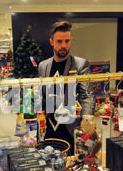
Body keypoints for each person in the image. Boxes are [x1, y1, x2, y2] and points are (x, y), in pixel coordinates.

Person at [38, 21, 95, 154]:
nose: (63, 45)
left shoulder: (80, 64)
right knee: (50, 162)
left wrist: (87, 121)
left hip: (71, 128)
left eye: (67, 41)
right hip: (49, 128)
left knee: (71, 166)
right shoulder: (43, 66)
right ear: (51, 42)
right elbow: (42, 95)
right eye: (59, 41)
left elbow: (87, 95)